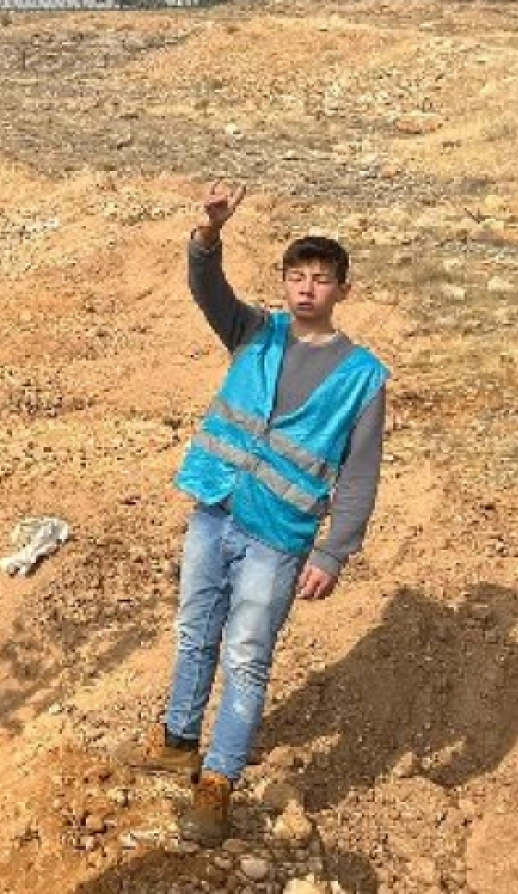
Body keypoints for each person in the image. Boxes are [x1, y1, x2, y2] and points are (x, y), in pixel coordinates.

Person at [128, 181, 389, 846]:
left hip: (279, 534)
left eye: (321, 279)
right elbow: (205, 284)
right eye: (297, 277)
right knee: (193, 630)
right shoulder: (255, 331)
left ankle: (217, 785)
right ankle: (178, 740)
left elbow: (359, 474)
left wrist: (334, 553)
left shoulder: (363, 376)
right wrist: (208, 232)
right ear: (283, 283)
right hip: (216, 505)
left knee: (246, 655)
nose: (307, 289)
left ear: (341, 291)